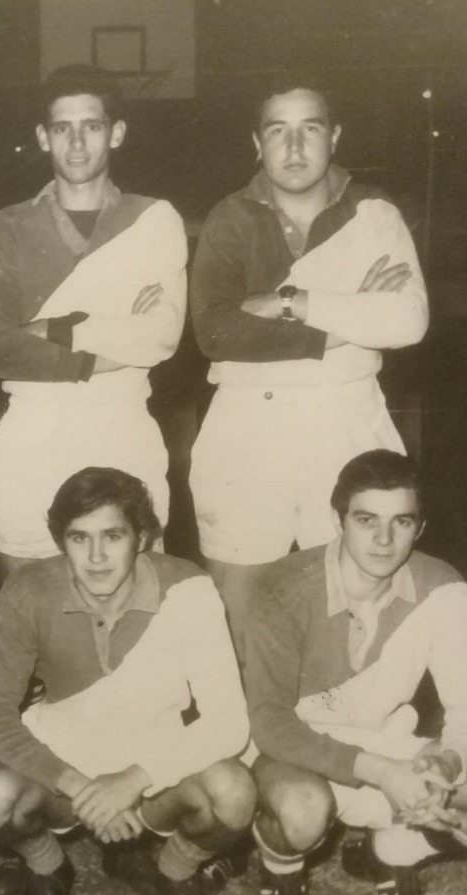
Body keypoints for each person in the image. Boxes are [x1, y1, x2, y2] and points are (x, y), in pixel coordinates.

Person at [244, 450, 467, 895]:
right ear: (337, 519)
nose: (384, 540)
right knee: (302, 811)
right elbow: (272, 724)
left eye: (401, 521)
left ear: (419, 527)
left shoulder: (443, 590)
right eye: (367, 520)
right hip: (295, 748)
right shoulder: (282, 588)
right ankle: (281, 867)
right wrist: (383, 773)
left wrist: (445, 765)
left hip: (385, 740)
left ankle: (396, 851)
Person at [189, 79, 428, 654]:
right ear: (257, 142)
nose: (294, 147)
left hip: (345, 419)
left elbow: (406, 322)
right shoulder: (229, 215)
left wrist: (292, 302)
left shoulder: (375, 214)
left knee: (358, 600)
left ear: (335, 136)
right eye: (278, 130)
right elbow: (215, 331)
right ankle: (248, 741)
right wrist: (351, 310)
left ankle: (350, 736)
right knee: (241, 609)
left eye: (310, 128)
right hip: (246, 425)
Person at [0, 467, 254, 895]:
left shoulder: (188, 588)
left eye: (112, 536)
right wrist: (80, 786)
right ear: (62, 542)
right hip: (65, 767)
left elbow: (228, 723)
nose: (96, 556)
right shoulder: (26, 591)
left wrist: (134, 780)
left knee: (234, 791)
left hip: (154, 769)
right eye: (79, 538)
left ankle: (176, 870)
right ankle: (48, 868)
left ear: (141, 538)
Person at [0, 64, 187, 578]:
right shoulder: (7, 227)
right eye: (62, 127)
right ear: (42, 137)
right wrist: (116, 333)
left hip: (123, 426)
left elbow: (159, 337)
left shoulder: (154, 218)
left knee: (137, 604)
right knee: (29, 607)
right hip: (34, 431)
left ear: (116, 133)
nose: (76, 142)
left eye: (91, 126)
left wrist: (49, 328)